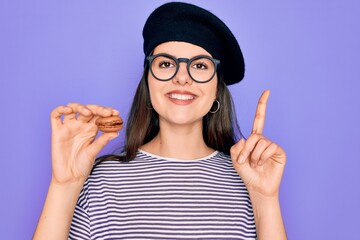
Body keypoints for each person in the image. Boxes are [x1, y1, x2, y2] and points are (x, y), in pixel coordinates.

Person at [34, 2, 287, 239]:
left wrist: (265, 198)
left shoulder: (249, 180)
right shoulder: (101, 180)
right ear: (148, 81)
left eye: (200, 66)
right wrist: (63, 185)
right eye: (166, 63)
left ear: (216, 89)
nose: (182, 77)